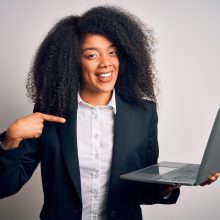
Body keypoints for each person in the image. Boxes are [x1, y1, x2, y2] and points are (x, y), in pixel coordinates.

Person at [0, 6, 219, 220]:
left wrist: (168, 185)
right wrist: (10, 141)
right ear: (71, 62)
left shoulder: (144, 113)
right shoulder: (49, 113)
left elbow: (141, 191)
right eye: (92, 55)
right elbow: (5, 187)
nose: (106, 63)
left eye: (112, 52)